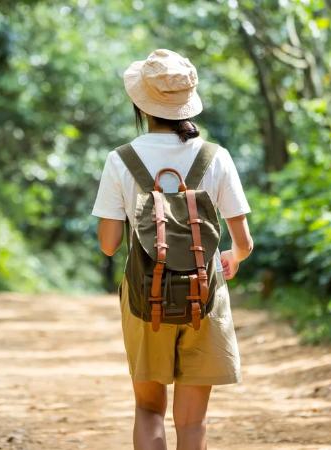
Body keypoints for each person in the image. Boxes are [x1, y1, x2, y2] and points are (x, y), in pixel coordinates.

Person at [91, 49, 254, 450]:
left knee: (148, 410)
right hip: (205, 295)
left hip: (146, 299)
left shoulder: (121, 160)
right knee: (193, 423)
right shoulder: (216, 157)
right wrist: (231, 258)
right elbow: (244, 242)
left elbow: (109, 245)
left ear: (141, 103)